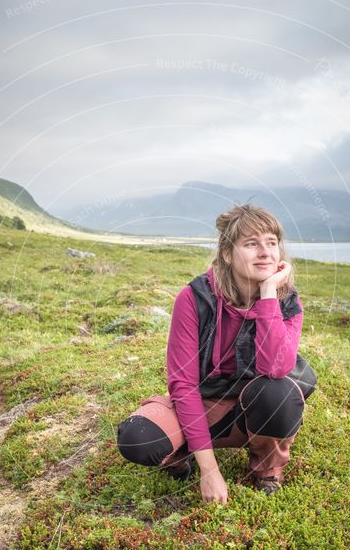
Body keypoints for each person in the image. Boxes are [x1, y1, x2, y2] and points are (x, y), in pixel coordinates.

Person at [116, 203, 317, 505]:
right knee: (138, 437)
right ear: (227, 253)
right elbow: (182, 385)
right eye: (251, 244)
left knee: (278, 392)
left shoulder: (286, 301)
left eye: (272, 243)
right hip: (204, 402)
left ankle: (267, 467)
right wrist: (208, 470)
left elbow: (275, 368)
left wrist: (267, 296)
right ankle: (182, 454)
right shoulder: (195, 298)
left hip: (250, 406)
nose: (265, 252)